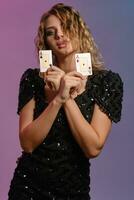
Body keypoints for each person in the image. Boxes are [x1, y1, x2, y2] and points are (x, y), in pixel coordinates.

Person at [8, 3, 123, 200]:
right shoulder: (33, 79)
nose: (59, 35)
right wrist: (57, 99)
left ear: (80, 30)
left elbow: (93, 148)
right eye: (51, 33)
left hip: (73, 190)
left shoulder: (106, 82)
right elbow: (27, 143)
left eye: (66, 26)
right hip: (27, 188)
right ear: (46, 42)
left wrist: (66, 97)